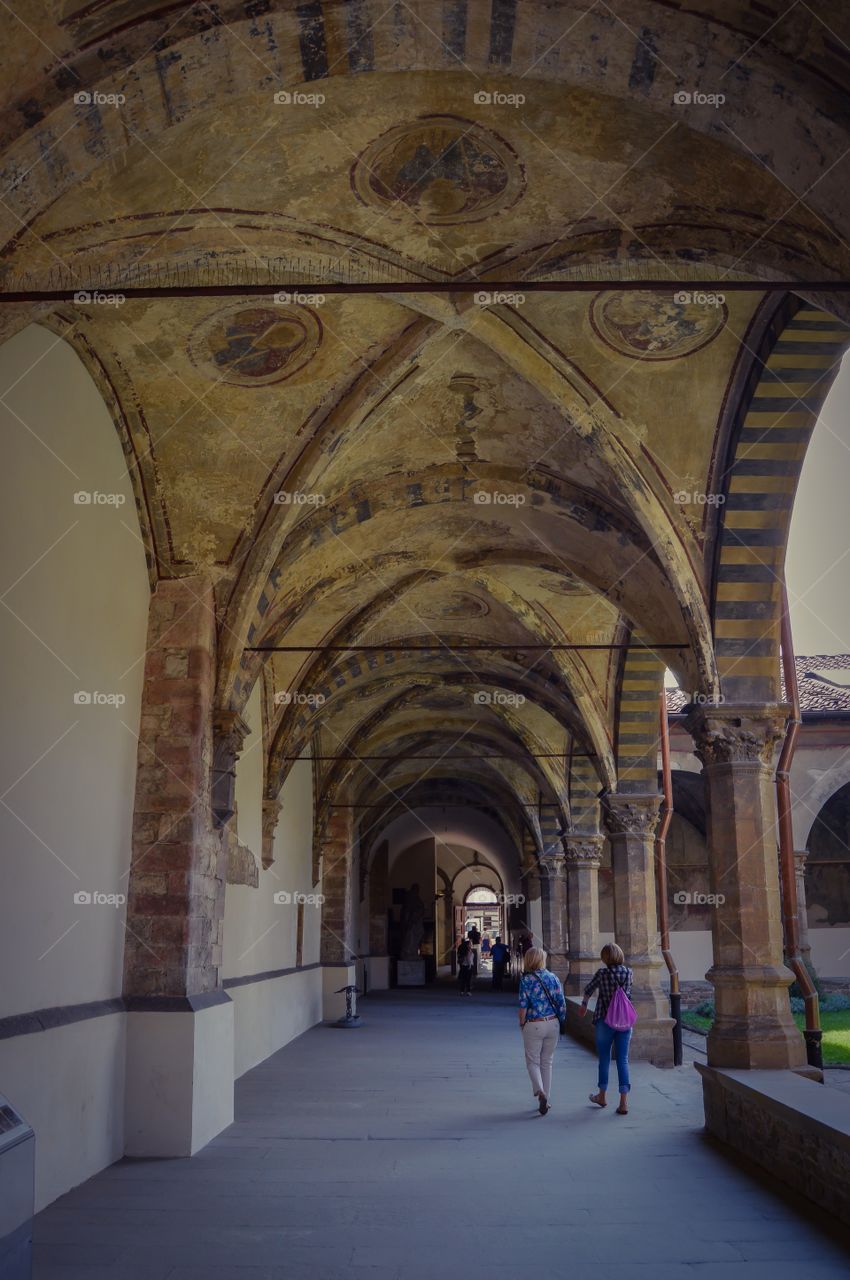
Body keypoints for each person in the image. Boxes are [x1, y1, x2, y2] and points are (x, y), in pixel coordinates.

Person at [579, 942, 634, 1115]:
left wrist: (584, 1004)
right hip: (624, 1021)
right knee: (623, 1060)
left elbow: (588, 989)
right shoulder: (628, 973)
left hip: (605, 1020)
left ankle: (602, 1096)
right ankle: (624, 1102)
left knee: (604, 1059)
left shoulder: (602, 974)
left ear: (604, 957)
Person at [517, 947, 565, 1115]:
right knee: (547, 1062)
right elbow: (561, 1003)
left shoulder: (526, 980)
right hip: (552, 1024)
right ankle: (547, 1098)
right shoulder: (553, 977)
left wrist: (522, 1024)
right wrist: (561, 1023)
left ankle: (540, 1092)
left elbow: (523, 1006)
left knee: (532, 1061)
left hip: (534, 1024)